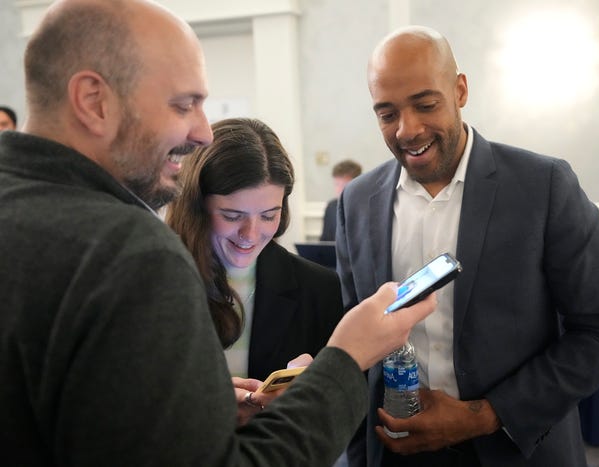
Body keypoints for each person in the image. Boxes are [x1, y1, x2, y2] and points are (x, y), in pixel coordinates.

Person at [0, 2, 438, 465]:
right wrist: (346, 359)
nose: (203, 131)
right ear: (94, 100)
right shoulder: (130, 254)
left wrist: (190, 408)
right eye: (183, 104)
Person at [336, 25, 599, 467]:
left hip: (515, 449)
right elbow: (358, 345)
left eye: (425, 104)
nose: (408, 129)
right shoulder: (356, 202)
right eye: (387, 114)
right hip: (393, 450)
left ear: (460, 90)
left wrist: (484, 416)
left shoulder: (544, 187)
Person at [166, 117, 344, 423]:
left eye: (268, 215)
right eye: (232, 215)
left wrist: (317, 392)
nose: (250, 234)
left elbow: (340, 420)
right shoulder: (153, 282)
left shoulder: (319, 289)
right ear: (196, 208)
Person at [320, 158, 362, 241]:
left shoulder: (368, 207)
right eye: (337, 184)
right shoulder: (331, 207)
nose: (339, 190)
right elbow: (324, 241)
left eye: (344, 185)